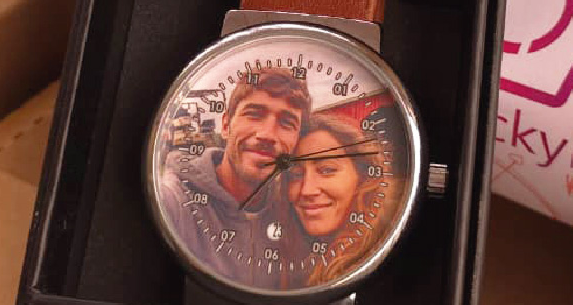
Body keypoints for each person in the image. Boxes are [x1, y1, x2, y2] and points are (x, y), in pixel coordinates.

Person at [157, 69, 311, 285]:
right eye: (254, 114)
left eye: (287, 123)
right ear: (226, 125)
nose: (267, 135)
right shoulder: (172, 200)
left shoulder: (300, 212)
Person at [283, 111, 399, 288]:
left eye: (327, 170)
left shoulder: (386, 253)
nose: (307, 190)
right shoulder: (284, 253)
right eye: (296, 174)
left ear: (363, 177)